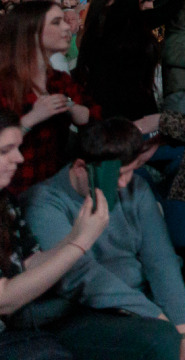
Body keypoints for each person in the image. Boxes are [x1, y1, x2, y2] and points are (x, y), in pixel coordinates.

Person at [21, 118, 185, 360]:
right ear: (80, 168)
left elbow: (161, 261)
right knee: (161, 338)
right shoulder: (45, 202)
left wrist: (184, 330)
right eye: (118, 174)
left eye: (129, 172)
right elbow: (81, 278)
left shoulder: (135, 187)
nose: (123, 183)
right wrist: (157, 316)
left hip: (137, 293)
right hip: (81, 309)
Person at [0, 107, 112, 360]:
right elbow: (4, 298)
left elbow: (28, 262)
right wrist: (79, 244)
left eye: (17, 148)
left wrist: (75, 237)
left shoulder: (5, 201)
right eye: (5, 151)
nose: (19, 158)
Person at [0, 2, 98, 197]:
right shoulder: (5, 83)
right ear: (31, 32)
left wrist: (74, 109)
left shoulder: (59, 80)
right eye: (56, 22)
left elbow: (93, 114)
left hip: (52, 186)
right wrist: (32, 119)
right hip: (13, 189)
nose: (67, 27)